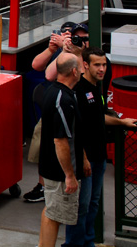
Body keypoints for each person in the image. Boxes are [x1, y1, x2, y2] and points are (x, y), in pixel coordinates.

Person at [63, 47, 137, 247]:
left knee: (93, 203)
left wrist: (121, 122)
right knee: (81, 206)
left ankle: (88, 242)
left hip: (99, 156)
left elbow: (99, 117)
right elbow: (76, 129)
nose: (102, 69)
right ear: (85, 65)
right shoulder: (79, 90)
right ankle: (74, 244)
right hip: (85, 160)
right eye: (97, 65)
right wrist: (84, 158)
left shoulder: (97, 87)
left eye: (104, 64)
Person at [25, 22, 89, 203]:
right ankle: (43, 185)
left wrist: (74, 51)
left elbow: (84, 76)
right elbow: (44, 71)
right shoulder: (63, 53)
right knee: (44, 147)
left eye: (83, 38)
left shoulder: (89, 56)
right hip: (54, 107)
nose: (78, 41)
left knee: (69, 146)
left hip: (75, 109)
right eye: (74, 37)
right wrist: (58, 50)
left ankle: (68, 181)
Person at [38, 53, 83, 247]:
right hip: (58, 173)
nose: (82, 71)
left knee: (51, 209)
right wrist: (69, 175)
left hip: (54, 169)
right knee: (54, 215)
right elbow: (60, 141)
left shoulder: (57, 92)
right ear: (74, 71)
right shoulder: (62, 99)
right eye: (80, 67)